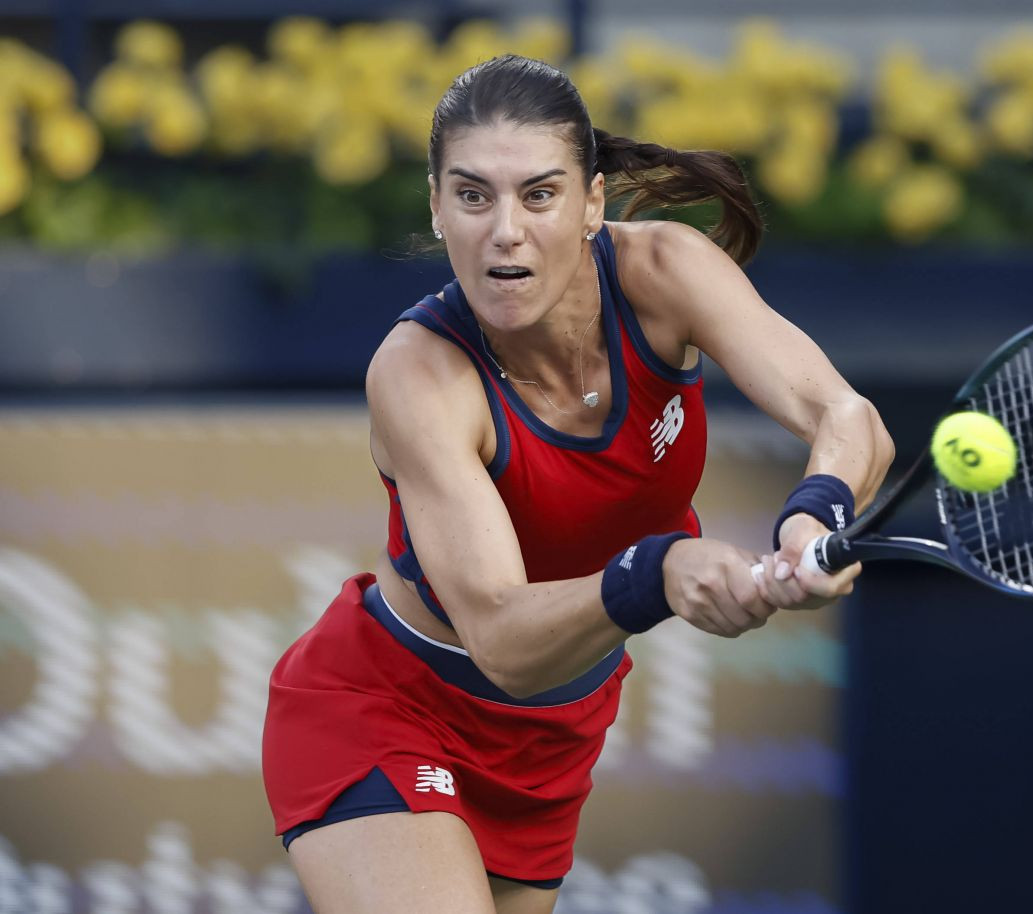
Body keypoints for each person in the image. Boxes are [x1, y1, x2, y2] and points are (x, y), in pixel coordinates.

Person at [261, 53, 894, 914]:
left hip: (552, 737)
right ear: (438, 208)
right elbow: (501, 637)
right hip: (387, 707)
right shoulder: (418, 376)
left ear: (593, 202)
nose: (505, 231)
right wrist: (660, 571)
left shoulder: (663, 272)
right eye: (473, 195)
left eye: (540, 194)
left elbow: (846, 417)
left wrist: (812, 515)